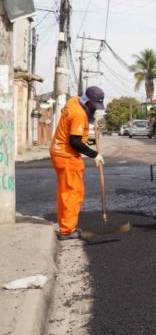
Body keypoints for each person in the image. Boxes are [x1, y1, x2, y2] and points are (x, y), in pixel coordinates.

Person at [50, 86, 106, 240]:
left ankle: (65, 225)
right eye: (93, 105)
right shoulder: (79, 114)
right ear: (86, 101)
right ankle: (67, 230)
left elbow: (76, 126)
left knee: (65, 191)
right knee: (73, 192)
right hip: (67, 155)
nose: (94, 108)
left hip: (58, 151)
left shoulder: (73, 101)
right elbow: (74, 141)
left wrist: (92, 121)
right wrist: (94, 154)